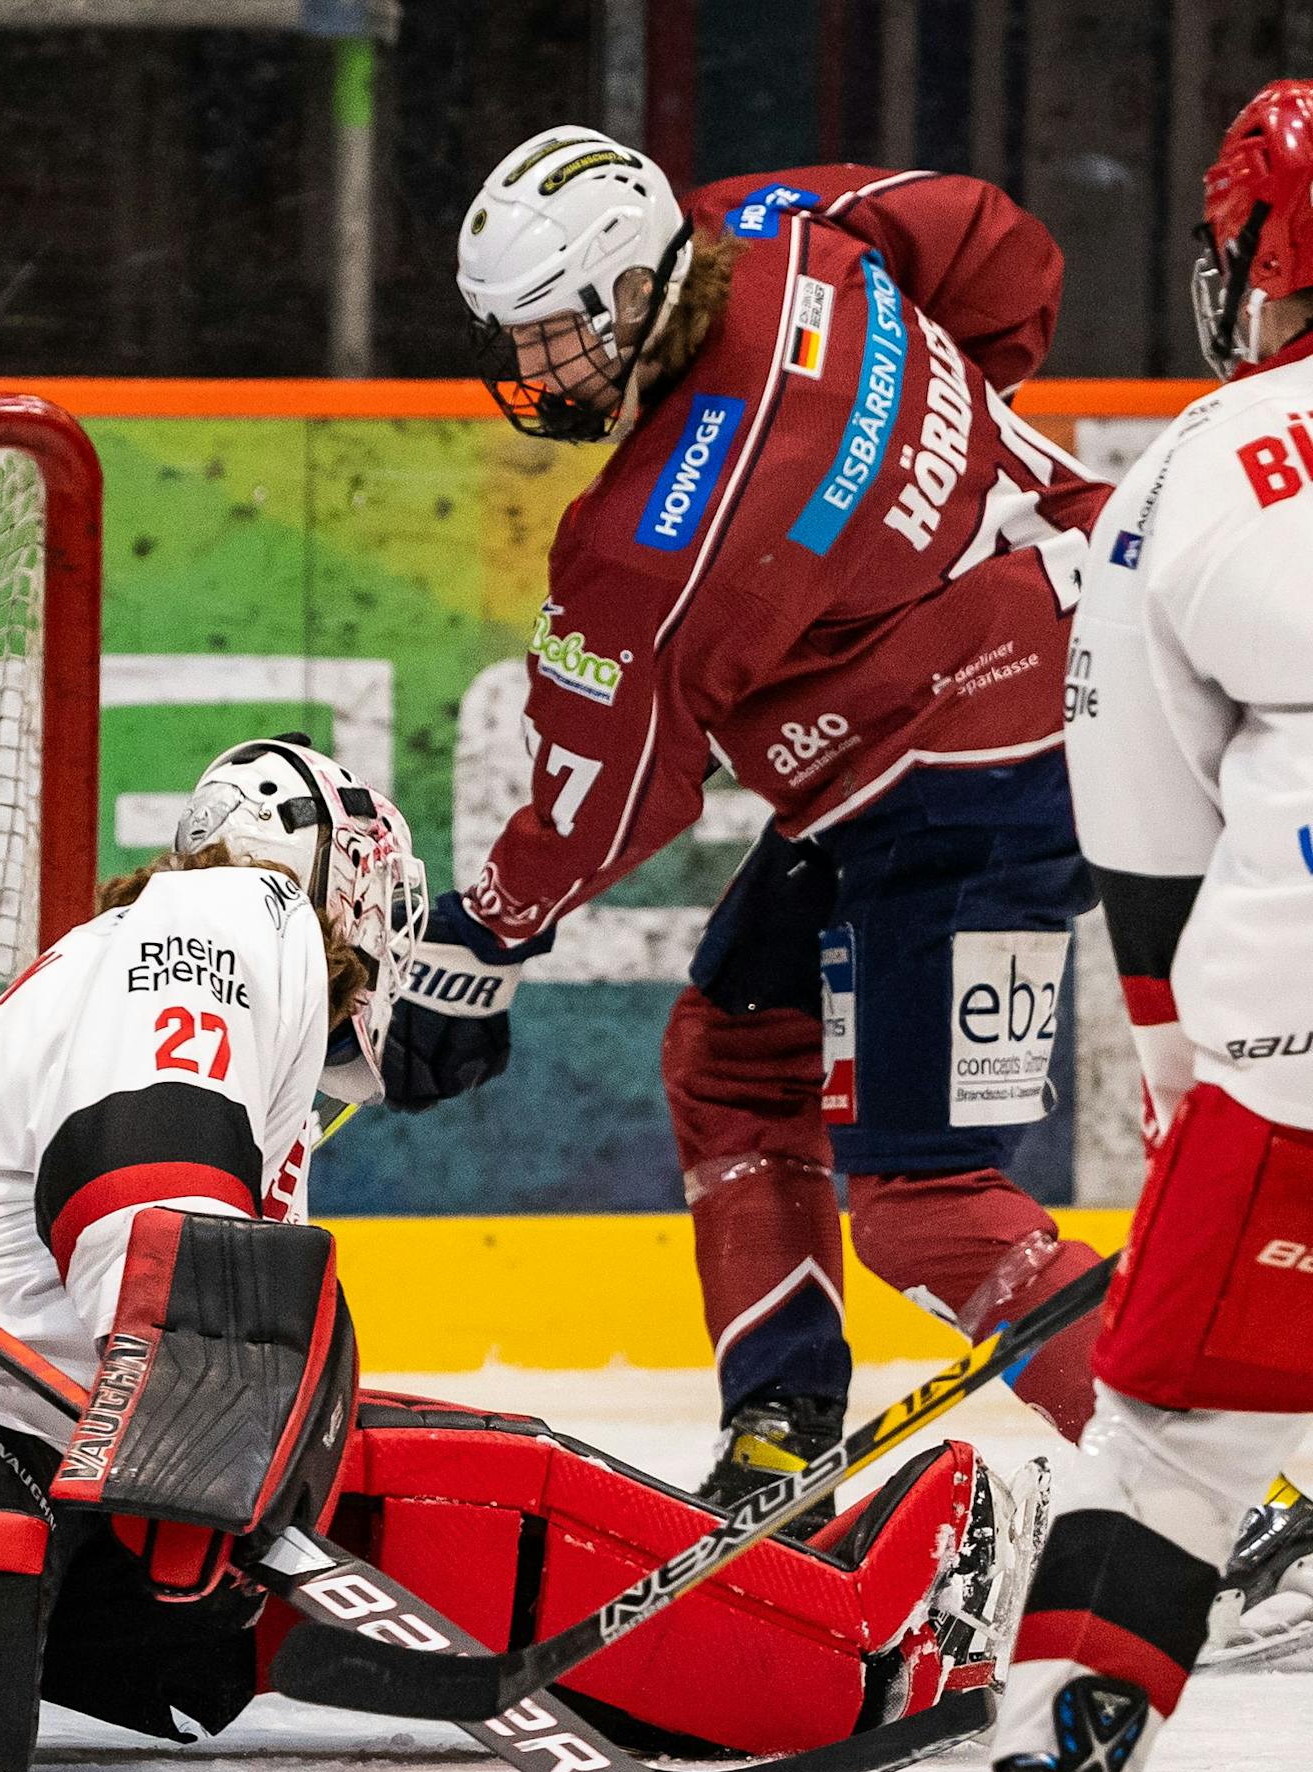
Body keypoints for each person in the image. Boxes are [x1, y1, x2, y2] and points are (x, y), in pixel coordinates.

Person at [0, 734, 1028, 1772]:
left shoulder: (141, 963)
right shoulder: (237, 914)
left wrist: (206, 1433)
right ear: (348, 877)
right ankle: (847, 1639)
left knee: (365, 1450)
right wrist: (194, 1430)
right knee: (455, 1485)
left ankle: (771, 1632)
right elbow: (141, 1172)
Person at [383, 127, 1112, 1521]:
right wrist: (926, 452)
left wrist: (486, 935)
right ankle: (782, 1432)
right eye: (510, 340)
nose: (530, 374)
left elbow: (608, 792)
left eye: (549, 337)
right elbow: (994, 247)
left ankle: (1235, 1503)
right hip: (1083, 658)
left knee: (927, 1202)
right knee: (735, 1051)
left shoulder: (644, 543)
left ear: (631, 292)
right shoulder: (770, 222)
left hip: (980, 780)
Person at [938, 79, 1313, 1772]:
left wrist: (1183, 1074)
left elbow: (1146, 827)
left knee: (1170, 1451)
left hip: (1297, 1058)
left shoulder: (1201, 467)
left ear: (1258, 260)